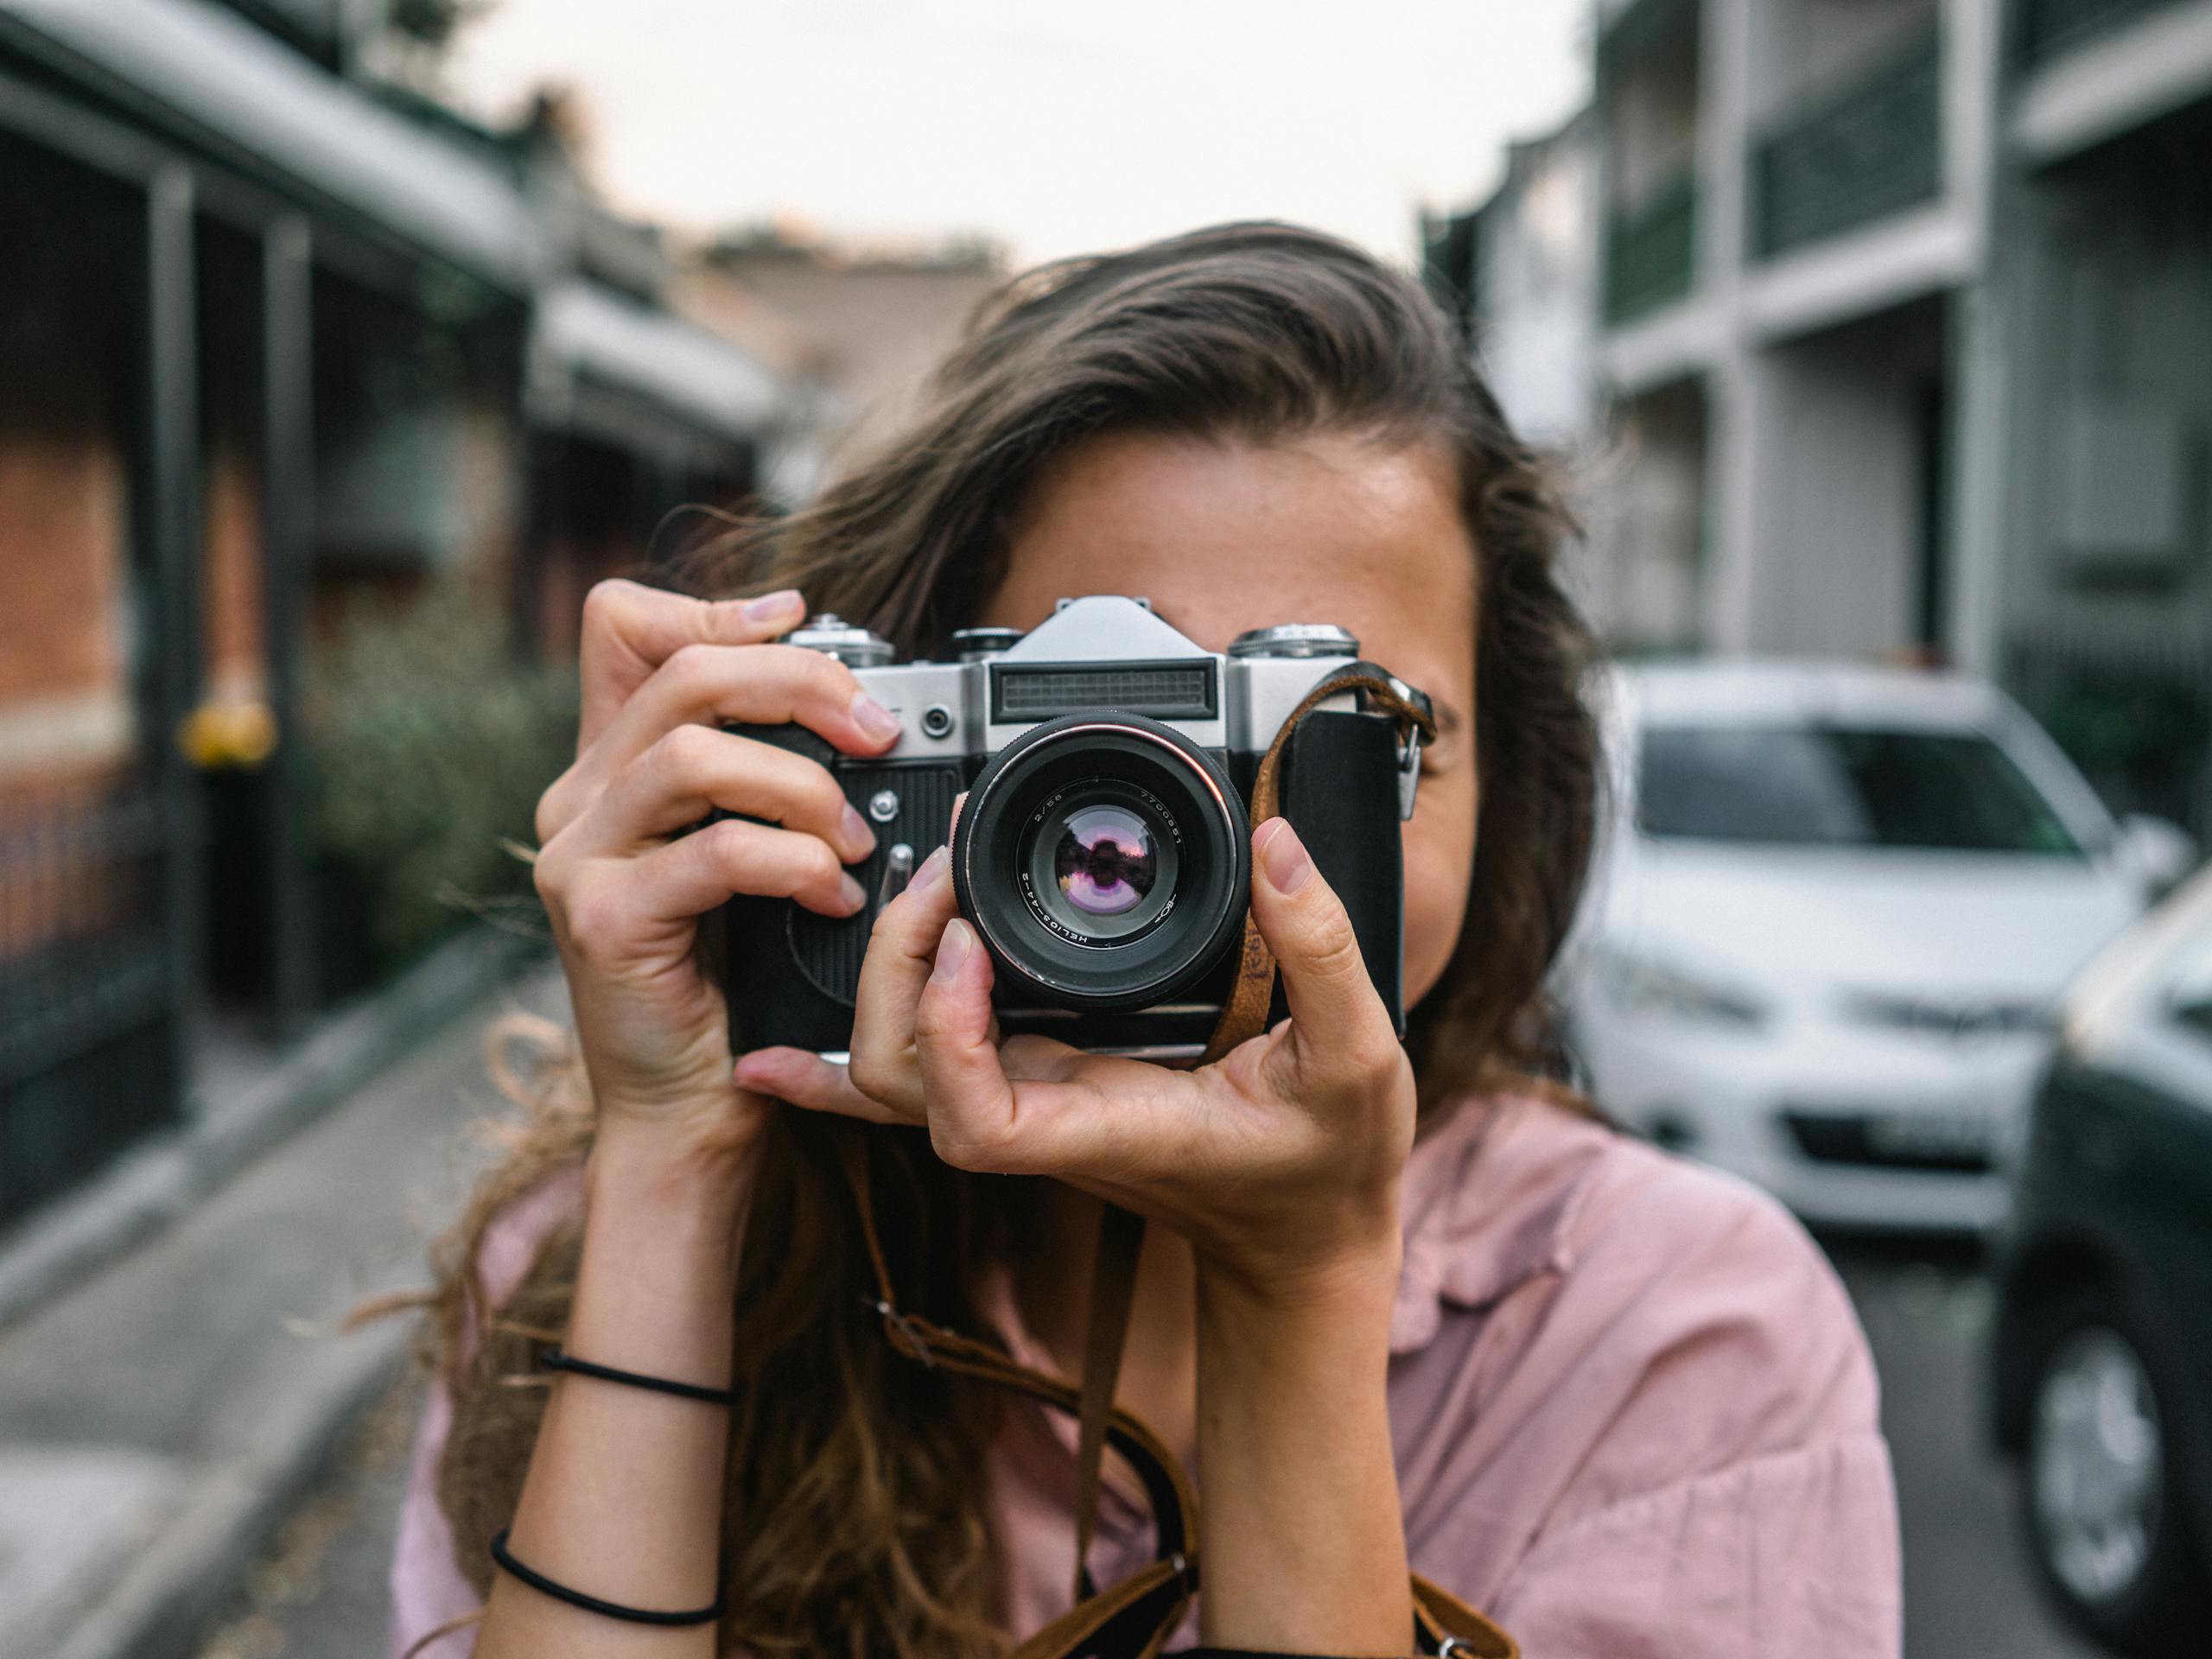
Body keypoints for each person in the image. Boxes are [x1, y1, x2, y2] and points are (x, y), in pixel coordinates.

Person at [390, 222, 1900, 1659]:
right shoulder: (590, 1264)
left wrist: (1297, 1285)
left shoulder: (1681, 1338)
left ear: (1511, 790)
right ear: (891, 745)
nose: (1206, 850)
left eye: (1348, 739)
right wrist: (677, 1165)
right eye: (1099, 741)